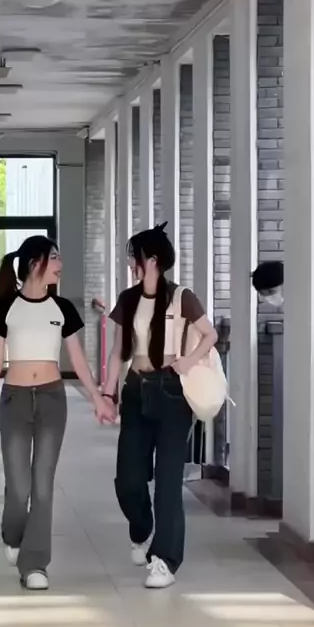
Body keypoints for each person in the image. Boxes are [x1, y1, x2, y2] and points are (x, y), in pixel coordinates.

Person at [0, 235, 115, 591]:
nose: (60, 265)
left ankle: (35, 563)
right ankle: (13, 534)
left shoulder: (62, 308)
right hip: (15, 401)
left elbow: (78, 360)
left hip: (53, 400)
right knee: (19, 486)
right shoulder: (7, 307)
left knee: (42, 486)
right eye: (54, 258)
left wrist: (98, 398)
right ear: (35, 263)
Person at [102, 223, 218, 589]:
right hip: (137, 391)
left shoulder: (182, 297)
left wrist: (189, 360)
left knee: (168, 482)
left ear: (151, 260)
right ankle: (142, 528)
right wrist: (107, 393)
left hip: (172, 393)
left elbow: (211, 334)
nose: (130, 263)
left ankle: (165, 560)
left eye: (133, 257)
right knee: (128, 479)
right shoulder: (128, 299)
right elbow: (118, 351)